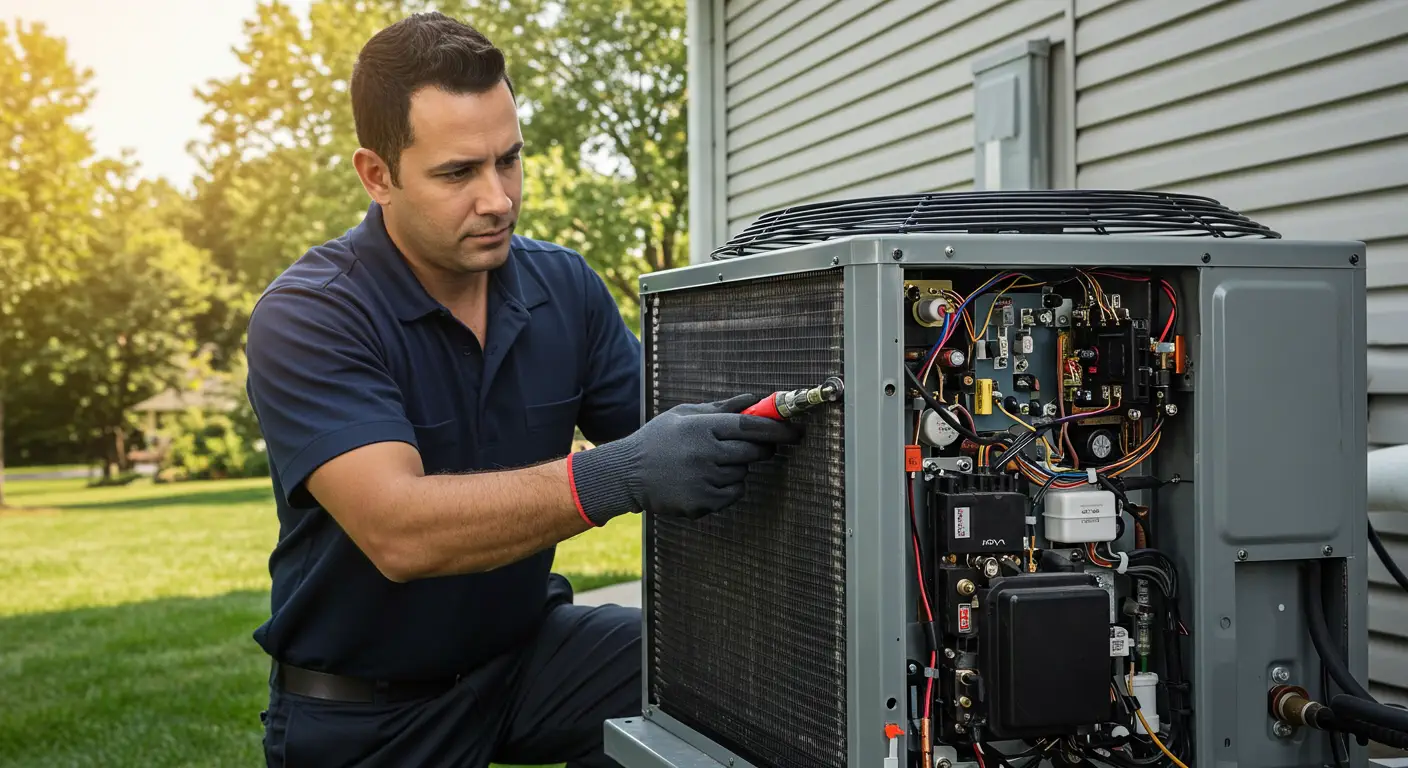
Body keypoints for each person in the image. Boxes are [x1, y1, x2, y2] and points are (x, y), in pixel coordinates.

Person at [241, 11, 803, 768]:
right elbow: (399, 531)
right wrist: (622, 473)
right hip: (366, 708)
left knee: (747, 677)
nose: (498, 197)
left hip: (530, 657)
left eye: (509, 160)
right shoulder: (311, 313)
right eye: (457, 172)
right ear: (377, 176)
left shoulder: (562, 286)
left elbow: (672, 427)